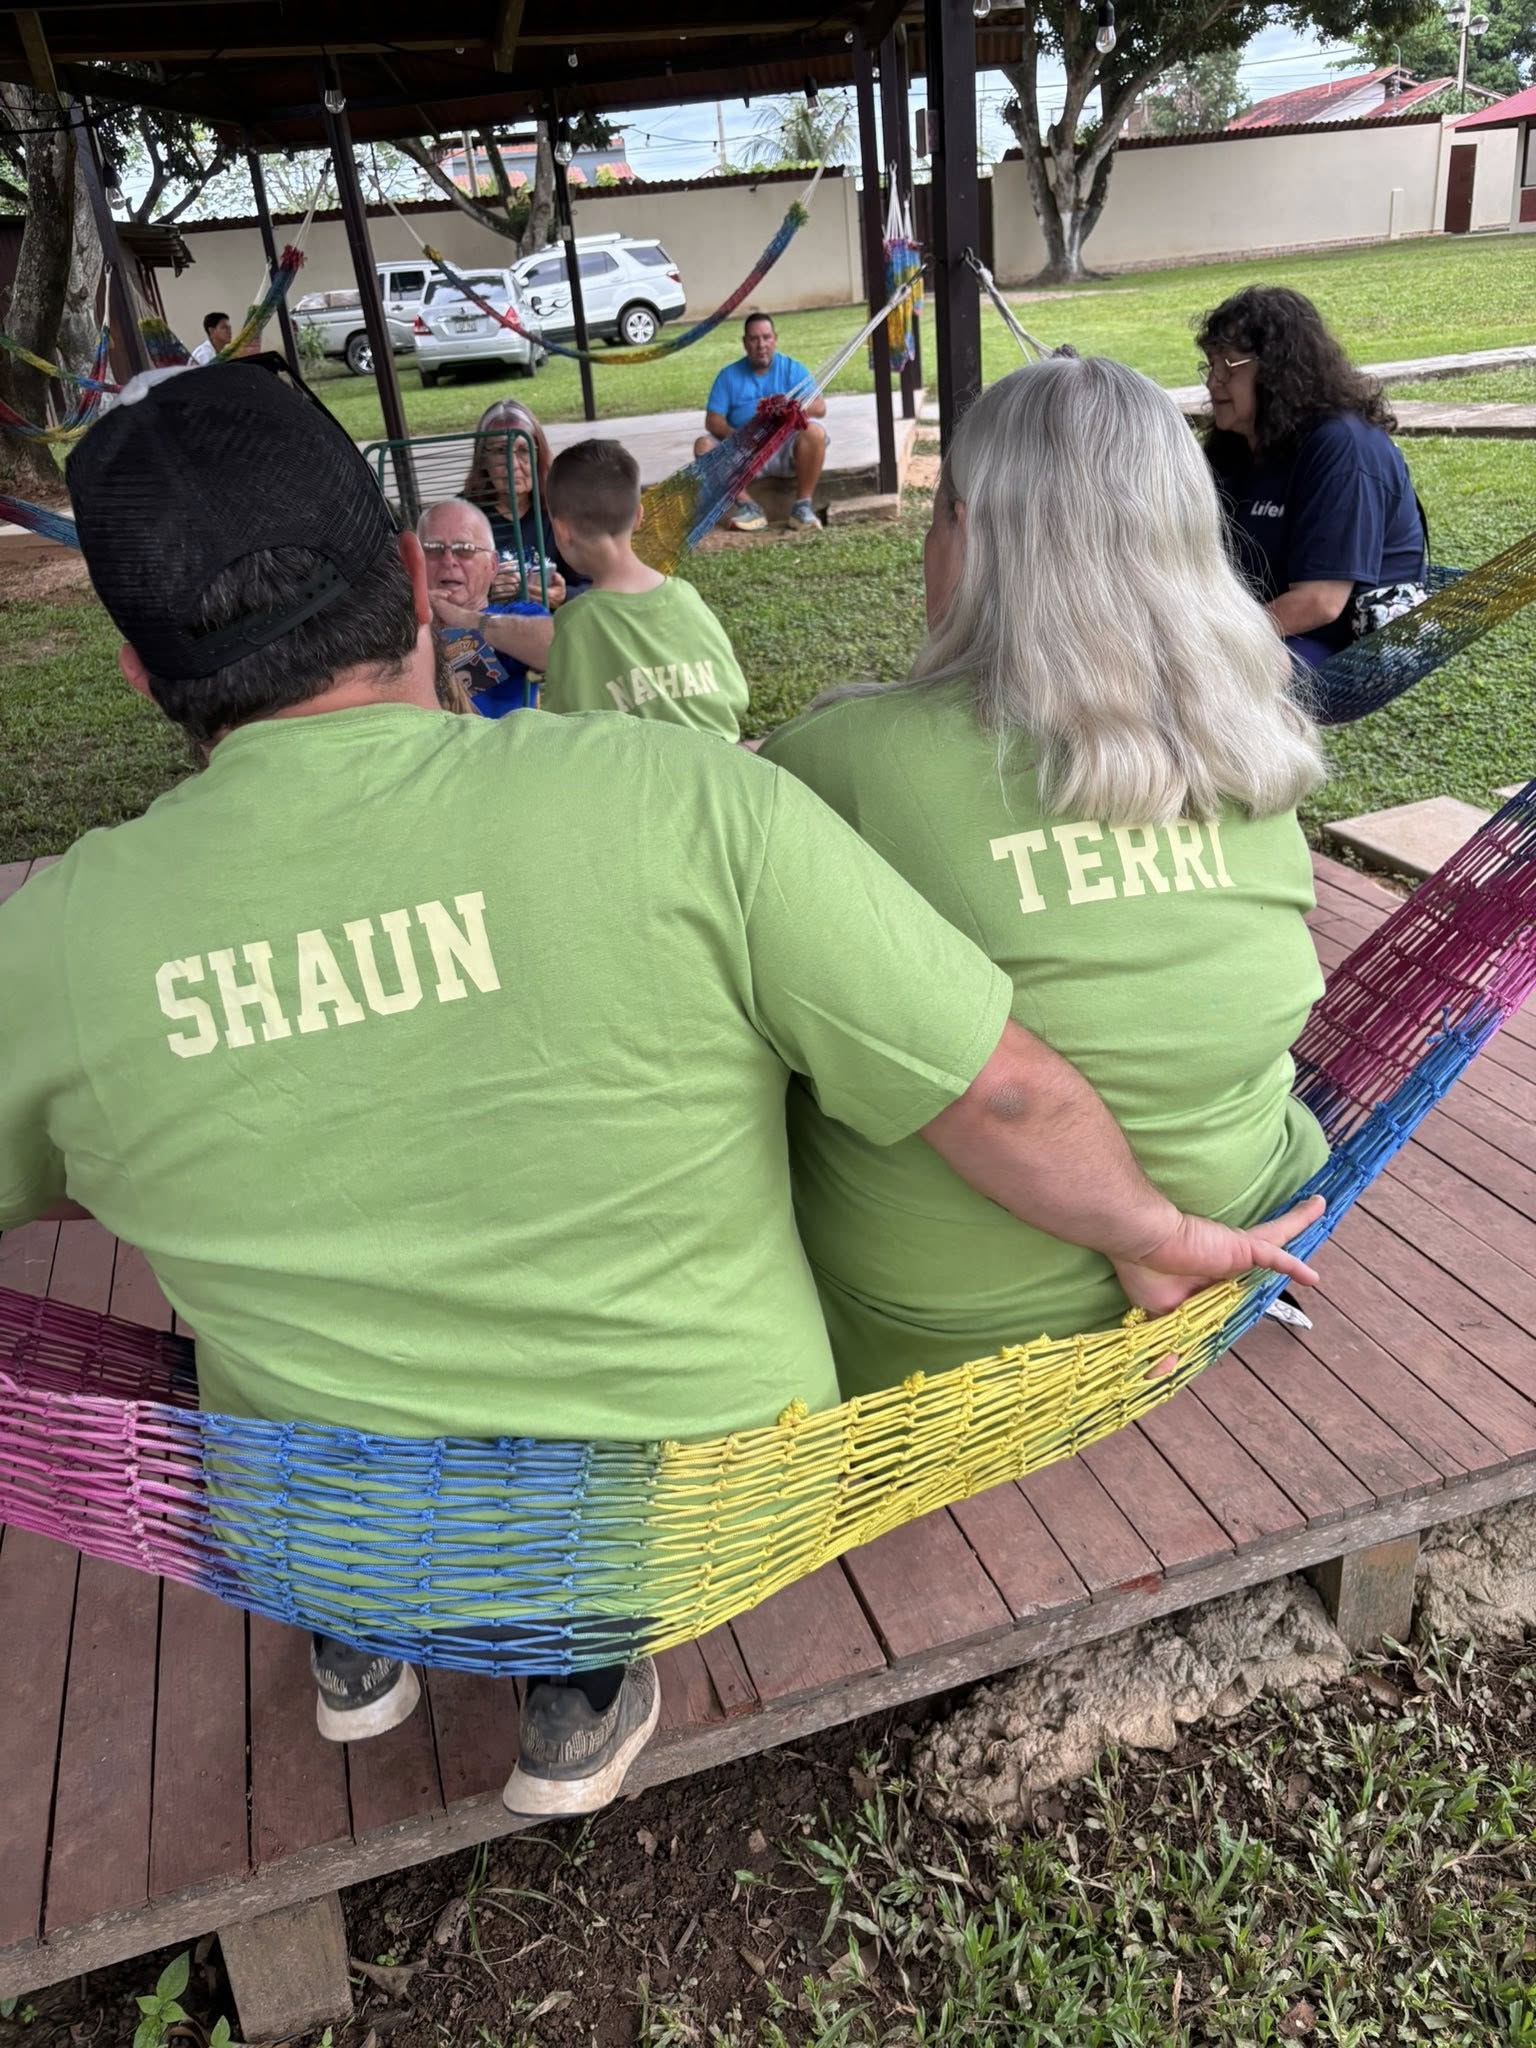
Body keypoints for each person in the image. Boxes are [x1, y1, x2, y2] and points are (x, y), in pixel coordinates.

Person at [0, 360, 1320, 1819]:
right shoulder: (687, 801)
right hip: (717, 1505)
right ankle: (578, 1657)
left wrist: (172, 1096)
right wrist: (1148, 1227)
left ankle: (375, 1637)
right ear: (411, 577)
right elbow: (995, 1089)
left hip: (333, 1533)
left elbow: (61, 1169)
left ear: (131, 666)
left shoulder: (53, 946)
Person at [760, 355, 1332, 1396]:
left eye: (938, 517)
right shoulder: (1263, 752)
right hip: (1250, 1235)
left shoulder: (840, 765)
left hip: (957, 1340)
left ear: (971, 536)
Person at [1198, 286, 1427, 671]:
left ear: (1276, 371)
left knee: (1197, 684)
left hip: (1340, 645)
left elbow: (1320, 602)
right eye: (1210, 364)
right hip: (1257, 622)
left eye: (1229, 365)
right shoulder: (1235, 445)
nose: (1212, 382)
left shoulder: (1342, 448)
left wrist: (1211, 640)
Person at [540, 438, 749, 741]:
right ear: (639, 516)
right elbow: (735, 695)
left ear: (561, 531)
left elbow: (567, 729)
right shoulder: (685, 595)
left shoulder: (576, 622)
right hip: (725, 767)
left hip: (642, 784)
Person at [695, 312, 828, 533]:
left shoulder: (792, 369)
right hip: (745, 452)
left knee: (814, 431)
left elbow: (820, 407)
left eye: (766, 337)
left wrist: (787, 409)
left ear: (775, 338)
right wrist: (738, 437)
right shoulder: (728, 376)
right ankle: (749, 507)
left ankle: (802, 508)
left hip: (785, 448)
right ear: (745, 343)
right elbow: (713, 420)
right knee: (703, 446)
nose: (761, 345)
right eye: (754, 339)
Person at [419, 498, 549, 717]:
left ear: (493, 565)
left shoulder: (519, 616)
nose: (448, 560)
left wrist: (461, 618)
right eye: (433, 549)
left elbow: (558, 646)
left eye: (465, 549)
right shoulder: (400, 625)